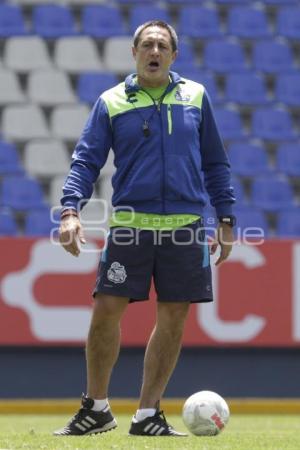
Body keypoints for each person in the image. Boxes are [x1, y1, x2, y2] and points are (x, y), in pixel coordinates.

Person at [54, 20, 235, 437]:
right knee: (105, 314)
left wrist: (225, 219)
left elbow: (215, 163)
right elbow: (86, 161)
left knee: (173, 319)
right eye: (147, 45)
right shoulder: (111, 102)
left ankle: (148, 414)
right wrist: (69, 211)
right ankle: (96, 408)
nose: (154, 51)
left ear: (174, 55)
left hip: (185, 228)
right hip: (130, 227)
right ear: (134, 52)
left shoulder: (196, 97)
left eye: (162, 45)